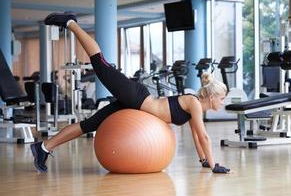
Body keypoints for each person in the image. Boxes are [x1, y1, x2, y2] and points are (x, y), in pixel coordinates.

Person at [30, 12, 230, 174]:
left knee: (88, 125)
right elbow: (204, 137)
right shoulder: (194, 102)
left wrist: (204, 160)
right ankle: (70, 23)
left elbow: (196, 136)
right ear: (211, 96)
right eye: (221, 98)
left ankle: (43, 147)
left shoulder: (195, 107)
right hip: (136, 97)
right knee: (100, 62)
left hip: (134, 105)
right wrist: (214, 166)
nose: (222, 103)